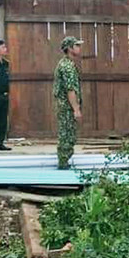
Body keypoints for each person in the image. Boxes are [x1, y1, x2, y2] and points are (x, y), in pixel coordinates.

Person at [53, 36, 84, 170]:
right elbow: (70, 90)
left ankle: (64, 162)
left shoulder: (66, 63)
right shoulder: (67, 66)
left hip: (65, 106)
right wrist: (76, 109)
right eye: (76, 45)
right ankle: (63, 164)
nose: (79, 48)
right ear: (70, 48)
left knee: (68, 134)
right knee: (66, 136)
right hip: (67, 107)